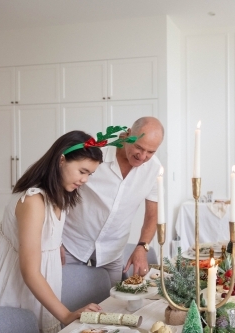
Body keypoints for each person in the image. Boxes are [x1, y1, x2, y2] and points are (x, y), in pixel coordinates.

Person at [0, 130, 107, 333]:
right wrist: (66, 315)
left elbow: (44, 230)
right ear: (61, 160)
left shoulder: (59, 193)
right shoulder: (33, 201)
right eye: (82, 171)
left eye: (89, 174)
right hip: (16, 284)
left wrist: (55, 244)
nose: (85, 180)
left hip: (40, 281)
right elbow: (29, 271)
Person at [61, 117, 164, 285]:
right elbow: (61, 192)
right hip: (72, 243)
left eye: (151, 152)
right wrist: (54, 240)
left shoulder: (154, 170)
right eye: (139, 147)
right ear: (128, 134)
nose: (143, 156)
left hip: (112, 250)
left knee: (113, 304)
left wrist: (142, 246)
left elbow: (152, 215)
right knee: (62, 299)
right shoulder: (96, 153)